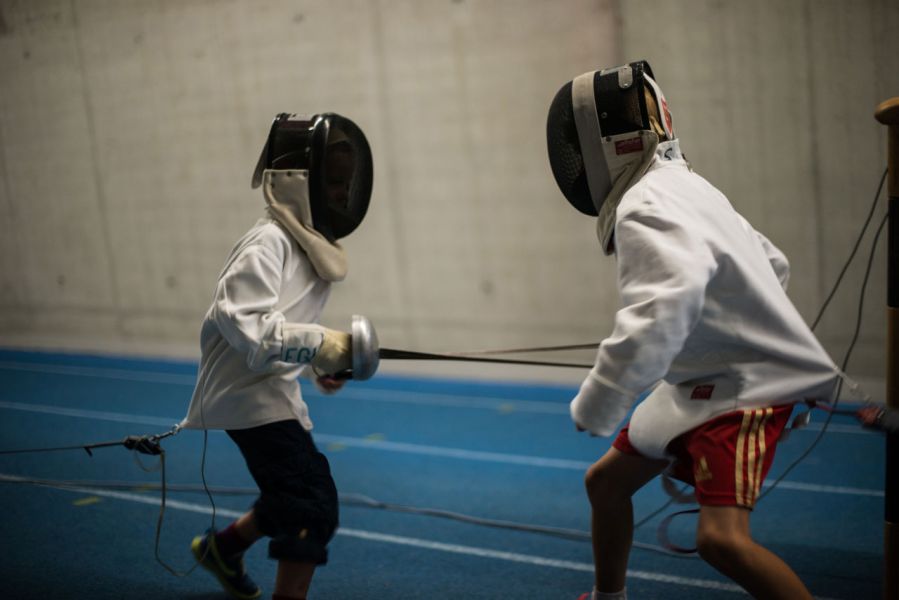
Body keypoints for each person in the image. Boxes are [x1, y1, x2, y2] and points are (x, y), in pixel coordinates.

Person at [545, 61, 841, 600]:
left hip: (743, 389)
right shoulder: (689, 186)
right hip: (697, 383)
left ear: (604, 142)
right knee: (605, 484)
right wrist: (721, 327)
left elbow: (661, 307)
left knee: (721, 541)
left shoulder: (644, 205)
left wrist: (601, 399)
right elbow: (773, 263)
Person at [180, 112, 375, 600]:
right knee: (311, 504)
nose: (340, 193)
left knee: (289, 495)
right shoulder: (267, 244)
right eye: (331, 182)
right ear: (297, 183)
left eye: (345, 183)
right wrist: (322, 344)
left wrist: (318, 364)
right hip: (246, 396)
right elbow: (247, 327)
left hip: (270, 390)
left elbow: (284, 324)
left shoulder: (305, 245)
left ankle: (222, 549)